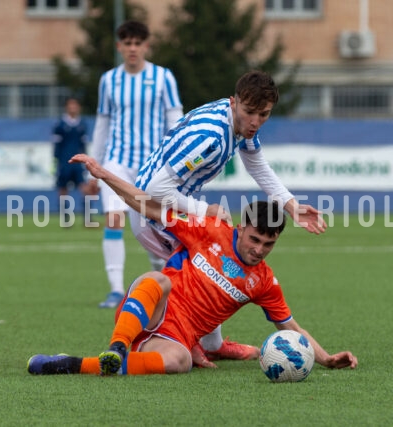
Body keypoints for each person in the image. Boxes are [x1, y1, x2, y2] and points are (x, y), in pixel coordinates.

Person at [27, 154, 358, 376]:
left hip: (174, 338)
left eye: (268, 244)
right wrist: (102, 175)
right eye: (254, 239)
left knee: (180, 362)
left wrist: (327, 358)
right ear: (241, 227)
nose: (259, 250)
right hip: (149, 309)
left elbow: (291, 328)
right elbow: (147, 205)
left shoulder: (264, 283)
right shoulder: (208, 230)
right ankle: (117, 345)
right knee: (159, 279)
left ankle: (73, 364)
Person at [128, 70, 327, 365]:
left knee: (215, 253)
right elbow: (155, 188)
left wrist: (290, 205)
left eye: (264, 115)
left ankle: (209, 343)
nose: (256, 122)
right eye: (250, 113)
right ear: (234, 103)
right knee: (210, 258)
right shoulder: (211, 137)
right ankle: (187, 341)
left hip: (169, 202)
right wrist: (202, 209)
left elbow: (256, 164)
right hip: (152, 208)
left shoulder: (238, 121)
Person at [89, 20, 183, 309]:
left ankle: (162, 284)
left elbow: (175, 118)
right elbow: (102, 124)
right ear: (120, 47)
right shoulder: (109, 80)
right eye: (127, 43)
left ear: (146, 45)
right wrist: (93, 165)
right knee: (114, 218)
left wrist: (177, 160)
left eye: (137, 43)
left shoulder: (163, 77)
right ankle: (116, 290)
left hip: (152, 168)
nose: (132, 48)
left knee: (156, 228)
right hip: (116, 162)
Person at [52, 97, 90, 208]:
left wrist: (85, 160)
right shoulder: (60, 125)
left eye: (75, 105)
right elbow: (57, 145)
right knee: (63, 188)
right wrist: (56, 161)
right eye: (70, 105)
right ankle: (65, 215)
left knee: (84, 187)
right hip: (64, 162)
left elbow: (83, 145)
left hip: (78, 163)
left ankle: (87, 215)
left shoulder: (82, 124)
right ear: (66, 108)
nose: (73, 108)